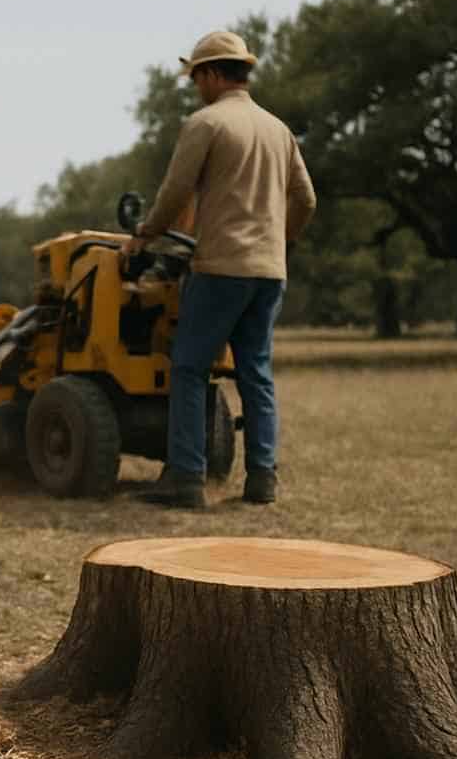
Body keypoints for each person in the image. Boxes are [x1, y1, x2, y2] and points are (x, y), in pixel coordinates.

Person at [123, 30, 317, 508]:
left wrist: (144, 233)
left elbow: (175, 193)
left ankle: (186, 479)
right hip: (269, 272)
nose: (195, 87)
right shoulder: (278, 130)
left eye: (195, 77)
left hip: (221, 267)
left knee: (189, 367)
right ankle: (262, 479)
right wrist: (282, 241)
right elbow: (307, 199)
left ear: (211, 74)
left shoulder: (206, 123)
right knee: (256, 371)